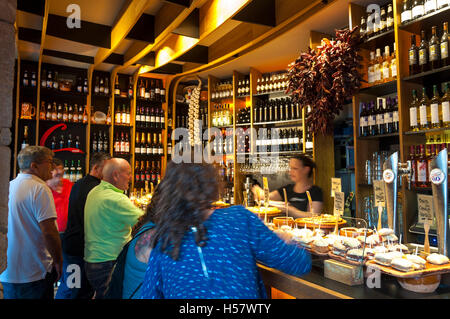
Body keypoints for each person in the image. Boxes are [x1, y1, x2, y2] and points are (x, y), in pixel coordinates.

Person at [141, 161, 311, 299]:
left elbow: (148, 295)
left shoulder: (165, 239)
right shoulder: (238, 218)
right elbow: (298, 263)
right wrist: (289, 239)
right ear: (210, 185)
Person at [0, 146, 63, 299]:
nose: (53, 167)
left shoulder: (11, 185)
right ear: (34, 166)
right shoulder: (39, 188)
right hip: (34, 271)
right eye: (49, 162)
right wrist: (58, 261)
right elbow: (49, 231)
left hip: (9, 272)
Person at [84, 158, 144, 299]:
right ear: (116, 175)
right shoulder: (116, 199)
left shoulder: (94, 191)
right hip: (109, 263)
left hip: (92, 261)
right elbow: (146, 222)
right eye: (128, 173)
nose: (131, 177)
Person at [56, 152, 110, 299]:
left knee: (71, 287)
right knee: (77, 290)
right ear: (97, 168)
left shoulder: (79, 183)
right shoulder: (97, 188)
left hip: (72, 245)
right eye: (107, 168)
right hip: (81, 248)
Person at [252, 154, 323, 218]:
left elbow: (314, 216)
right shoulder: (287, 189)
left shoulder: (315, 191)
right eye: (290, 168)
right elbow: (266, 197)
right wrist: (258, 190)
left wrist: (290, 210)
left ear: (306, 170)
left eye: (295, 168)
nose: (290, 172)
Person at [46, 157, 73, 234]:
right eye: (56, 169)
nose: (59, 172)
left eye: (61, 169)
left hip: (69, 233)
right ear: (49, 171)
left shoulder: (70, 185)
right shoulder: (43, 189)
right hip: (51, 234)